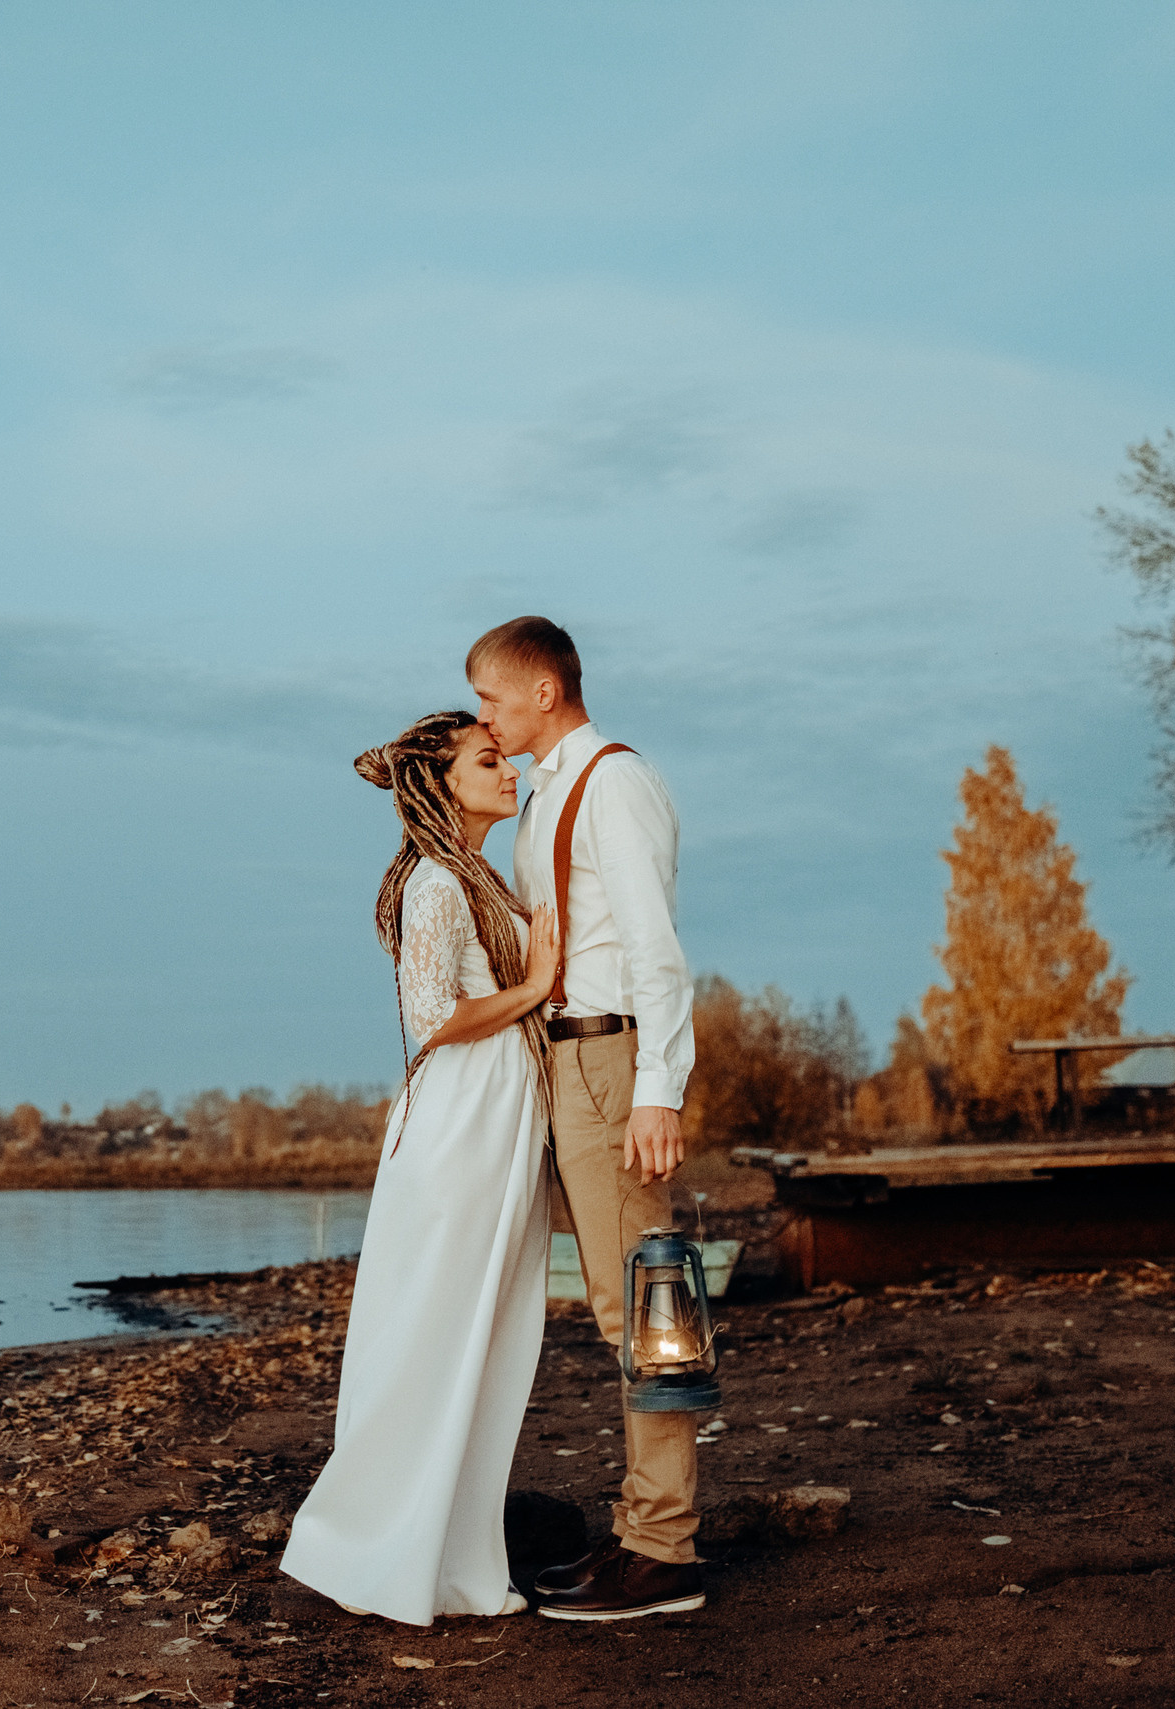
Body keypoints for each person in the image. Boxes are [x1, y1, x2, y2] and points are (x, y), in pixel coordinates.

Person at [280, 709, 563, 1623]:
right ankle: (373, 1547)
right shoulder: (437, 883)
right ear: (441, 785)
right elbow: (431, 1016)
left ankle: (453, 1559)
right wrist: (535, 987)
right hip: (460, 1128)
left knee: (483, 1339)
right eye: (489, 760)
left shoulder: (474, 874)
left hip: (496, 1118)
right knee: (438, 1333)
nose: (509, 770)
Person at [469, 615, 705, 1621]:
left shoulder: (612, 781)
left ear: (544, 691)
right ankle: (642, 1529)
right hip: (568, 1059)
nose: (484, 716)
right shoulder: (547, 793)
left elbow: (655, 947)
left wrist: (658, 1085)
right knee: (623, 1301)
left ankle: (662, 1550)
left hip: (611, 1058)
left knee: (642, 1304)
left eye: (490, 697)